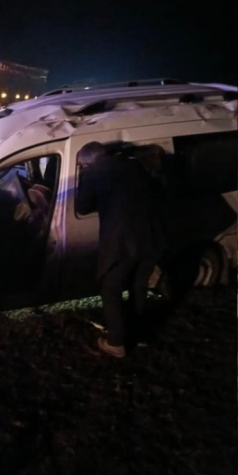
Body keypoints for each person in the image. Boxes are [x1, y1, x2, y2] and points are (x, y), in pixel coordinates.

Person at [81, 141, 166, 358]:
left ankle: (116, 342)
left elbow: (82, 206)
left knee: (111, 289)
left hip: (121, 243)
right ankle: (140, 335)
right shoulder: (134, 164)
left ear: (88, 163)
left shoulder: (92, 173)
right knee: (139, 286)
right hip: (150, 238)